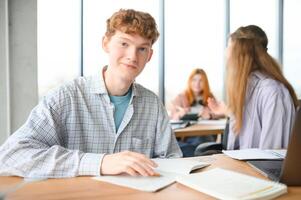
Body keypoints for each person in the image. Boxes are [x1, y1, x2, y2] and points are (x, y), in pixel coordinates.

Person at [0, 9, 182, 178]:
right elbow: (10, 156)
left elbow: (172, 160)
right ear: (106, 44)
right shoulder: (66, 97)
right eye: (124, 43)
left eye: (142, 48)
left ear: (149, 55)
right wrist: (100, 163)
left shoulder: (152, 104)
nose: (132, 56)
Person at [208, 25, 298, 150]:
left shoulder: (272, 92)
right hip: (237, 166)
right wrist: (227, 111)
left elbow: (271, 157)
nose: (225, 53)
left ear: (241, 54)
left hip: (254, 168)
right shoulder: (247, 88)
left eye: (229, 46)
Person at [169, 68, 220, 157]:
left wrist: (210, 115)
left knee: (202, 143)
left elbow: (219, 113)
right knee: (195, 147)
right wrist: (179, 115)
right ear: (190, 81)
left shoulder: (210, 97)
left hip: (205, 134)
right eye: (194, 80)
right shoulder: (181, 97)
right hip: (187, 137)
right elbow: (172, 117)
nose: (197, 84)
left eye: (201, 81)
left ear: (205, 83)